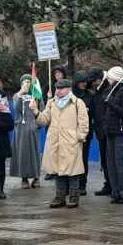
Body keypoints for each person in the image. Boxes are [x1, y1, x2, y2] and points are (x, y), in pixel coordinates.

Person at [32, 78, 90, 208]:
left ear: (69, 88)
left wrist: (79, 137)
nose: (58, 91)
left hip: (71, 141)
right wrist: (35, 111)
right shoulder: (51, 102)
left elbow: (83, 122)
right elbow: (44, 120)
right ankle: (60, 196)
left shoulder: (77, 103)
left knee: (73, 171)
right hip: (55, 141)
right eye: (57, 88)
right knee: (57, 170)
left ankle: (74, 196)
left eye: (61, 88)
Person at [102, 66, 123, 204]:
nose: (108, 80)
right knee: (111, 163)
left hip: (121, 131)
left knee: (121, 162)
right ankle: (116, 192)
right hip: (111, 131)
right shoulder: (111, 91)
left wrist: (111, 104)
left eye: (110, 77)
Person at [10, 74, 43, 190]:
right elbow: (17, 109)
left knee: (35, 153)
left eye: (29, 81)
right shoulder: (17, 96)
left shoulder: (36, 95)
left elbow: (42, 112)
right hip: (21, 129)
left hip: (33, 128)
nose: (27, 83)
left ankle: (36, 177)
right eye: (25, 82)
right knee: (22, 153)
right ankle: (24, 178)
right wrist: (21, 94)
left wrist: (37, 124)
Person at [72, 71, 94, 195]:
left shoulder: (90, 96)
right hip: (71, 131)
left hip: (85, 131)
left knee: (83, 158)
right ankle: (72, 184)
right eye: (81, 82)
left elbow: (93, 112)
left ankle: (82, 184)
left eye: (85, 82)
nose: (84, 84)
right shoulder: (70, 96)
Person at [91, 69, 113, 196]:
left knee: (108, 160)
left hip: (105, 130)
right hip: (100, 129)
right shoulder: (99, 91)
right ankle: (108, 183)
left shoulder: (106, 91)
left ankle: (111, 184)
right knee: (105, 160)